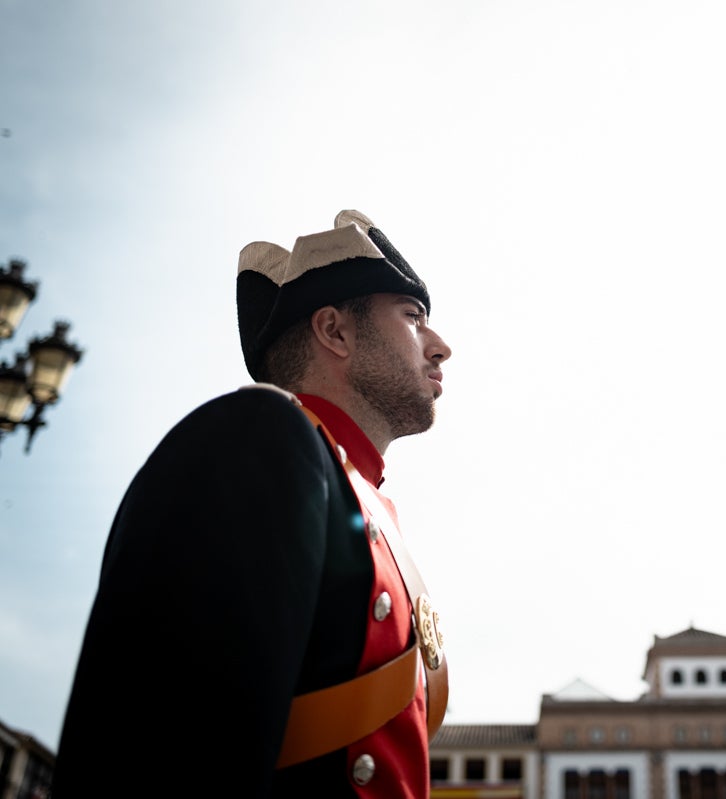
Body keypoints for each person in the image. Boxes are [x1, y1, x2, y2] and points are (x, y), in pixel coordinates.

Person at [52, 210, 453, 798]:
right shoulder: (256, 440)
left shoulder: (357, 498)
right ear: (335, 332)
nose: (441, 346)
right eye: (413, 317)